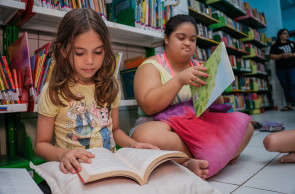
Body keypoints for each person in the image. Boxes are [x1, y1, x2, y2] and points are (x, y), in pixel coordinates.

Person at [34, 8, 158, 175]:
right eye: (79, 53)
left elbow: (115, 131)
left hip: (110, 166)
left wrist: (133, 144)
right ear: (63, 50)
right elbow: (41, 145)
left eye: (98, 52)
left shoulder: (111, 85)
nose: (90, 61)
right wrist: (62, 154)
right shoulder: (53, 90)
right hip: (77, 171)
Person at [130, 14, 254, 179]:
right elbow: (148, 106)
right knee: (146, 136)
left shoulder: (200, 66)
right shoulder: (151, 66)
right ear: (166, 39)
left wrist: (214, 89)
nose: (188, 43)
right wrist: (179, 80)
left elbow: (218, 106)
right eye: (181, 38)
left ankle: (198, 159)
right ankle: (213, 156)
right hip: (165, 128)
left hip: (197, 126)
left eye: (193, 39)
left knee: (247, 126)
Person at [269, 28, 295, 111]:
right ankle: (289, 104)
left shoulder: (292, 44)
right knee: (285, 86)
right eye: (284, 33)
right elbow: (271, 56)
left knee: (293, 84)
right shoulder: (275, 46)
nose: (287, 35)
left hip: (292, 67)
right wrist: (281, 56)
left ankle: (293, 102)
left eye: (287, 33)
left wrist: (290, 55)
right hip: (281, 69)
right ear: (280, 35)